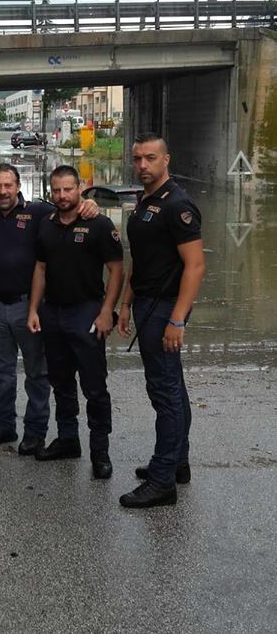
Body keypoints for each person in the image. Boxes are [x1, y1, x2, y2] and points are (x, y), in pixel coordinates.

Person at [0, 163, 100, 455]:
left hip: (28, 306)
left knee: (36, 373)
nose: (3, 191)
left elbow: (68, 206)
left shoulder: (38, 211)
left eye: (8, 185)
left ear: (18, 187)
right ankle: (4, 425)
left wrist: (89, 204)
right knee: (2, 371)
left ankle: (34, 432)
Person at [117, 132, 205, 509]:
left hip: (165, 308)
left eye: (150, 158)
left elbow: (195, 266)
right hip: (146, 303)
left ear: (166, 160)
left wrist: (177, 319)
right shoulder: (145, 201)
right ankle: (177, 463)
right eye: (137, 158)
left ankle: (162, 480)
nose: (142, 165)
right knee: (173, 387)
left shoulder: (177, 204)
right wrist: (125, 303)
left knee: (164, 393)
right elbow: (140, 258)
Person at [27, 165, 124, 477]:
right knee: (61, 382)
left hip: (87, 313)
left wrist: (107, 311)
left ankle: (100, 452)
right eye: (56, 190)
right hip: (53, 313)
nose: (62, 195)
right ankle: (68, 439)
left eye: (68, 189)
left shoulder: (98, 224)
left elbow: (117, 269)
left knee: (94, 387)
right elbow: (40, 269)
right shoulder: (46, 224)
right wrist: (33, 309)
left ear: (80, 187)